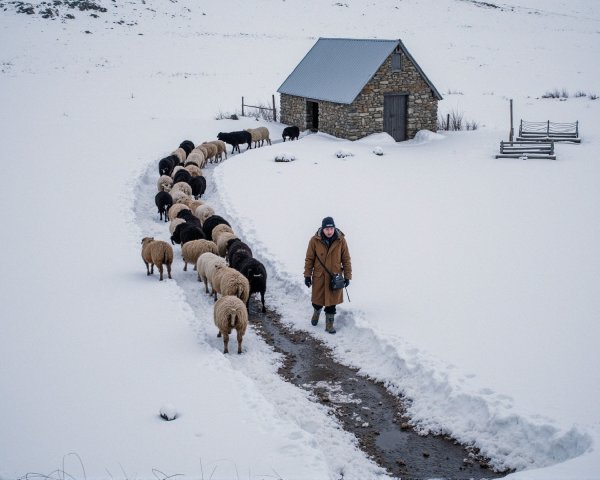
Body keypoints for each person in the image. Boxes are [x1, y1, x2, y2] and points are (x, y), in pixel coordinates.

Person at [303, 216, 352, 334]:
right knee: (317, 301)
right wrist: (307, 275)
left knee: (331, 304)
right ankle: (316, 311)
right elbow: (309, 259)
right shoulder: (314, 240)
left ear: (334, 228)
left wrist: (347, 276)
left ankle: (329, 325)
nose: (329, 231)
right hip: (319, 277)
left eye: (331, 229)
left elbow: (346, 259)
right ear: (323, 229)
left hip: (334, 278)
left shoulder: (341, 240)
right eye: (327, 229)